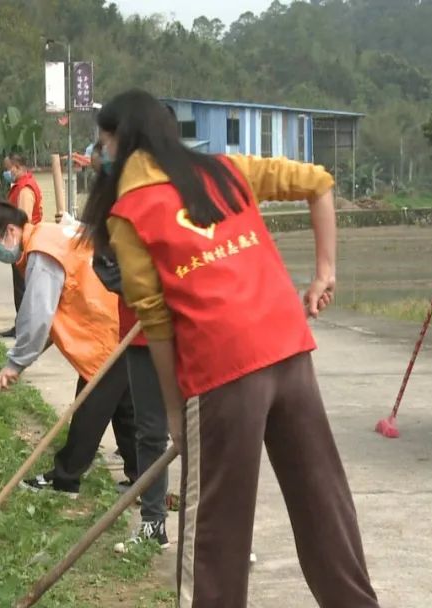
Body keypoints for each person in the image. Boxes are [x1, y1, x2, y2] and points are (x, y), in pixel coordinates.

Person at [81, 89, 379, 607]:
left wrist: (176, 411)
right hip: (287, 349)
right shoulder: (223, 169)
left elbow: (156, 322)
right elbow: (320, 183)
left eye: (102, 140)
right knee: (322, 503)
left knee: (215, 530)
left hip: (223, 370)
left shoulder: (128, 213)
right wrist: (324, 274)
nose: (98, 152)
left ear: (119, 139)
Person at [0, 204, 138, 497]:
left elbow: (36, 315)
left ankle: (66, 479)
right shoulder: (47, 234)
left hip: (104, 332)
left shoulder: (41, 253)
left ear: (11, 231)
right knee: (125, 408)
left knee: (91, 408)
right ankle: (143, 481)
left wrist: (15, 363)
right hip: (114, 324)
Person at [92, 253, 171, 548]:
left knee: (205, 429)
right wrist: (141, 289)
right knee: (151, 432)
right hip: (143, 335)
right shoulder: (115, 211)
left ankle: (222, 532)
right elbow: (104, 262)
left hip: (193, 325)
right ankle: (153, 523)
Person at [0, 154, 44, 338]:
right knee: (22, 288)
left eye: (8, 169)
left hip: (24, 244)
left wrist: (15, 244)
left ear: (17, 167)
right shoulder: (23, 185)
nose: (7, 173)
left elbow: (24, 220)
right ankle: (22, 325)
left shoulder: (25, 189)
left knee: (22, 289)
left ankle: (24, 328)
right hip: (23, 242)